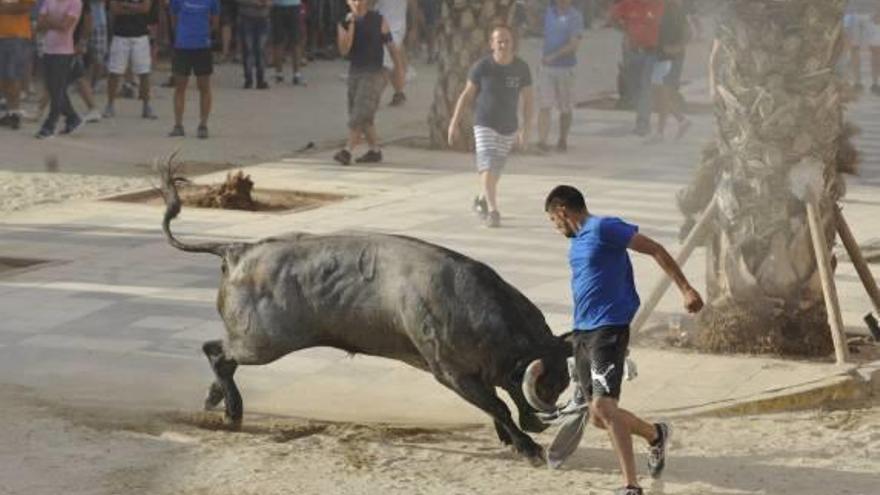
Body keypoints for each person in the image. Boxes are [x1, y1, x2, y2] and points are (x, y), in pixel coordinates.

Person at [544, 184, 704, 495]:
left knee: (605, 406)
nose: (555, 227)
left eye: (553, 220)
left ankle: (631, 487)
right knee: (599, 418)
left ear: (562, 210)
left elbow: (655, 248)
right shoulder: (576, 243)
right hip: (583, 332)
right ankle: (655, 434)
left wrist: (685, 288)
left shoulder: (603, 227)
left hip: (610, 328)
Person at [448, 24, 533, 229]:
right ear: (492, 44)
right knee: (486, 163)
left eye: (507, 41)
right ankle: (493, 210)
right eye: (499, 41)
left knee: (495, 170)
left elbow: (529, 100)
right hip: (484, 123)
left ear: (513, 43)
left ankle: (481, 199)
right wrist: (454, 123)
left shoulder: (521, 68)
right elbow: (467, 95)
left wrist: (526, 128)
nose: (503, 45)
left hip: (508, 126)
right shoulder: (482, 67)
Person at [332, 0, 403, 166]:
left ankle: (347, 150)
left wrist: (399, 71)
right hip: (355, 71)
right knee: (362, 114)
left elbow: (392, 48)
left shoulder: (378, 20)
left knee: (361, 111)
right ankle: (375, 150)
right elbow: (343, 50)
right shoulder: (345, 22)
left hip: (375, 72)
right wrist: (350, 27)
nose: (357, 2)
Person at [610, 0, 663, 137]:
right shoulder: (629, 3)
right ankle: (640, 114)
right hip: (633, 51)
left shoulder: (658, 4)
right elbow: (613, 17)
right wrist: (625, 30)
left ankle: (643, 123)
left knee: (646, 86)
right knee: (634, 87)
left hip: (652, 52)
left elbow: (667, 22)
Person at [536, 0, 583, 152]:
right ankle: (542, 141)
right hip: (546, 67)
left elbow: (574, 45)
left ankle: (562, 139)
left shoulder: (575, 16)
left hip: (566, 67)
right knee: (544, 104)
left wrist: (554, 56)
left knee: (565, 107)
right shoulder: (548, 12)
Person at [168, 0, 218, 138]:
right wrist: (179, 34)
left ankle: (203, 124)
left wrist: (206, 36)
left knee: (204, 87)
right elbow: (173, 17)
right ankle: (178, 124)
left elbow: (215, 21)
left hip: (202, 46)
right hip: (183, 45)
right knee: (180, 87)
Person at [35, 0, 81, 138]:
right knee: (53, 88)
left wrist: (48, 21)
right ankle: (72, 117)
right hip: (48, 49)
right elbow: (39, 23)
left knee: (57, 89)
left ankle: (50, 124)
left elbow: (66, 26)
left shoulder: (75, 2)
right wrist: (55, 22)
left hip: (64, 52)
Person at [103, 0, 157, 119]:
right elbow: (114, 9)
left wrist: (125, 6)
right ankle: (110, 105)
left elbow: (146, 8)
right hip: (120, 35)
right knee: (114, 72)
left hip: (140, 34)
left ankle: (146, 105)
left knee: (144, 72)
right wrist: (136, 8)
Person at [645, 0, 689, 143]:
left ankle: (661, 131)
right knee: (660, 93)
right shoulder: (658, 7)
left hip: (669, 56)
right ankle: (681, 120)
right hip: (660, 54)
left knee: (662, 93)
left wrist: (678, 47)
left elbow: (686, 31)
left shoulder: (673, 9)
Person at [0, 0, 35, 130]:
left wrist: (3, 8)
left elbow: (25, 7)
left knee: (13, 75)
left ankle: (15, 112)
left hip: (17, 35)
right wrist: (10, 7)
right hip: (2, 36)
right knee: (3, 77)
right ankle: (9, 112)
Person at [375, 0, 406, 105]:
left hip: (395, 26)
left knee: (386, 63)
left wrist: (414, 26)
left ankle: (375, 96)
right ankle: (399, 92)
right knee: (394, 61)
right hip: (380, 24)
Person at [237, 0, 270, 88]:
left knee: (261, 50)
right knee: (248, 50)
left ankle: (260, 79)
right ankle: (248, 79)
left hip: (263, 18)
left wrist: (269, 2)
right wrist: (253, 2)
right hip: (247, 18)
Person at [270, 0, 303, 84]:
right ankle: (279, 73)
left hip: (293, 5)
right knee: (278, 41)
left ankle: (296, 74)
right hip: (277, 6)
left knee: (295, 41)